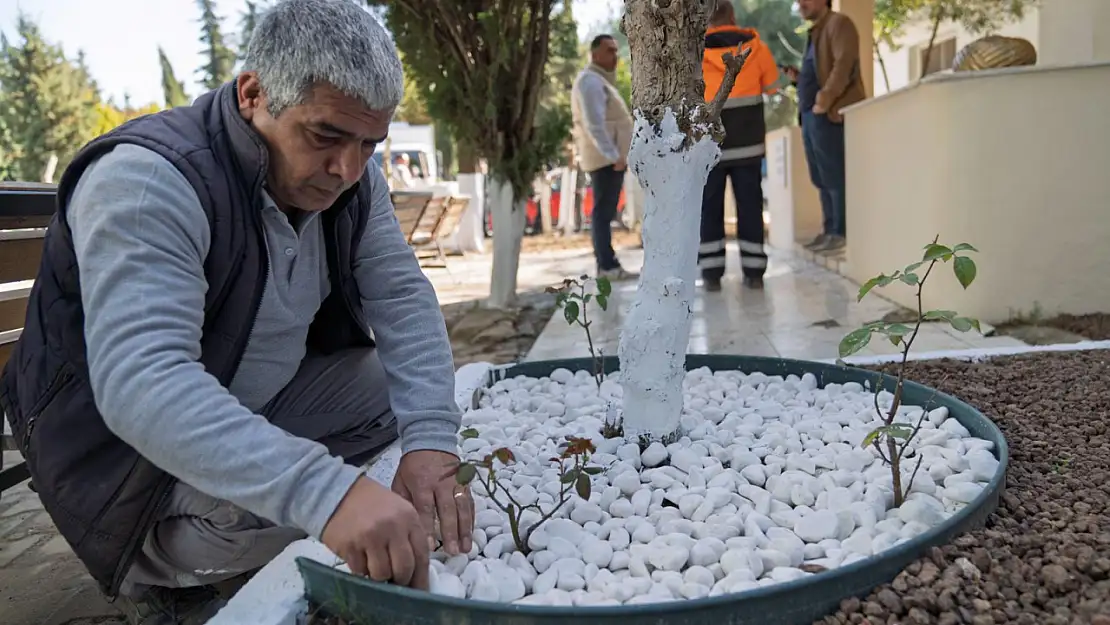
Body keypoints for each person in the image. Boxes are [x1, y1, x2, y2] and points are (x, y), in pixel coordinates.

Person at [0, 0, 473, 622]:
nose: (347, 170)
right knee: (299, 509)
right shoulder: (150, 180)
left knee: (416, 406)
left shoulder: (354, 174)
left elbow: (402, 296)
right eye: (326, 136)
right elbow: (144, 383)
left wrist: (433, 445)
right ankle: (165, 569)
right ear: (253, 93)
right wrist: (327, 493)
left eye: (369, 143)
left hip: (253, 400)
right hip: (125, 470)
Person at [698, 0, 780, 292]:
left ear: (707, 19)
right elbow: (773, 87)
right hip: (748, 145)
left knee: (709, 209)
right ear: (733, 16)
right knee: (750, 207)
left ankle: (711, 274)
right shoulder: (756, 47)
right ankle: (754, 272)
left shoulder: (695, 52)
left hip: (710, 148)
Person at [782, 0, 866, 253]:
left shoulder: (840, 24)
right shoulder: (817, 30)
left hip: (827, 114)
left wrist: (824, 99)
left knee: (834, 175)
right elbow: (820, 70)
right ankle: (829, 230)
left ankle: (840, 233)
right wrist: (800, 80)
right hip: (810, 116)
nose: (800, 4)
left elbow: (844, 66)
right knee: (820, 177)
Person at [570, 34, 637, 281]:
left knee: (604, 213)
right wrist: (613, 156)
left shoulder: (598, 80)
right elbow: (594, 124)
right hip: (605, 160)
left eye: (615, 50)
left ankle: (607, 264)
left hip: (610, 159)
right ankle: (607, 266)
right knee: (602, 214)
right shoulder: (590, 82)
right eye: (609, 50)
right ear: (595, 54)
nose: (615, 55)